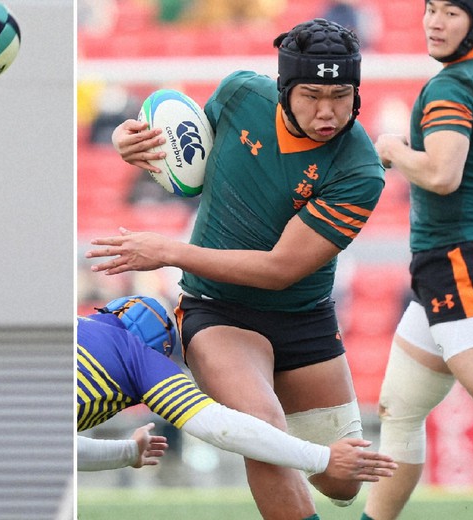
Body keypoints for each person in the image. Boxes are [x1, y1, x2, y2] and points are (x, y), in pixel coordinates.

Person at [86, 18, 386, 520]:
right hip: (218, 308)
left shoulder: (359, 170)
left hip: (303, 317)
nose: (328, 111)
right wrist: (131, 143)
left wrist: (168, 250)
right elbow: (186, 158)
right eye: (312, 94)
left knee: (341, 483)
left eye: (342, 94)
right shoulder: (238, 95)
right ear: (284, 89)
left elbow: (278, 270)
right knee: (263, 431)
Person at [78, 296, 397, 481]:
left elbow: (60, 446)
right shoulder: (143, 360)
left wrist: (128, 453)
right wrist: (323, 458)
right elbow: (223, 428)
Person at [361, 2, 473, 519]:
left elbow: (442, 174)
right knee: (399, 408)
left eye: (452, 12)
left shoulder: (452, 85)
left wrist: (392, 149)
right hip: (442, 267)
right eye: (431, 8)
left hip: (455, 260)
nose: (435, 21)